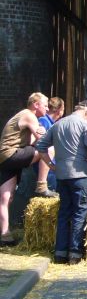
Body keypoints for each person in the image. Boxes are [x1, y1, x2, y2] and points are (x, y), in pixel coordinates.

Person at [36, 100, 87, 265]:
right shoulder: (85, 125)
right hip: (80, 176)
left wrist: (52, 165)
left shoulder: (57, 125)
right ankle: (75, 254)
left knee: (64, 213)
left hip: (62, 177)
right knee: (79, 214)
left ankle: (60, 253)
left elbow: (41, 146)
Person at [0, 93, 48, 246]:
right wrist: (44, 131)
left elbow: (31, 140)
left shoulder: (23, 116)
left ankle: (4, 235)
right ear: (35, 104)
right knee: (48, 149)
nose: (47, 108)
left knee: (6, 198)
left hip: (4, 158)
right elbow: (42, 142)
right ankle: (42, 185)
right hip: (11, 153)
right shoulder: (29, 115)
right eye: (45, 104)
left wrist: (39, 131)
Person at [35, 96, 64, 197]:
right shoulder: (43, 121)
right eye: (63, 109)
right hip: (45, 168)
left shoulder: (52, 124)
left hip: (51, 166)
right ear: (59, 110)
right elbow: (41, 144)